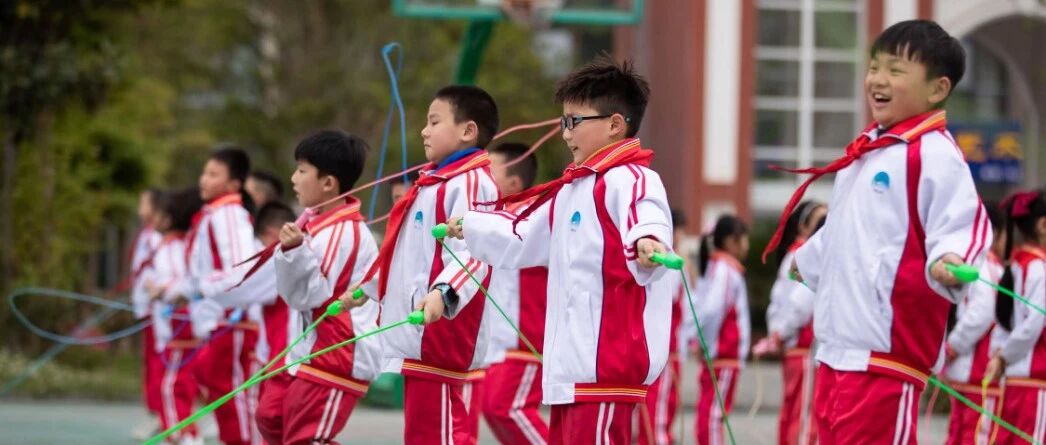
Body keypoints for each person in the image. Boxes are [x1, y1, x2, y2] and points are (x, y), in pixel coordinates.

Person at [765, 20, 988, 444]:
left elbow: (964, 222)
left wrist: (950, 258)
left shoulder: (936, 155)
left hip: (886, 354)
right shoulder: (868, 152)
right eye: (874, 67)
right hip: (836, 350)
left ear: (937, 89)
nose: (878, 80)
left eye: (896, 70)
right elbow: (845, 228)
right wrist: (807, 262)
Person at [444, 57, 674, 444]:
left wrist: (647, 242)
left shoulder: (631, 177)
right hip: (572, 367)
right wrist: (470, 225)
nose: (565, 133)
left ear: (615, 124)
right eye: (562, 122)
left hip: (606, 364)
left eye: (573, 122)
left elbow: (646, 216)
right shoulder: (572, 189)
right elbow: (521, 239)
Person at [342, 85, 501, 445]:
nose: (424, 131)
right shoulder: (431, 185)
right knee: (427, 433)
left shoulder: (471, 181)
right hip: (421, 330)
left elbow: (474, 252)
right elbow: (404, 253)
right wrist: (367, 290)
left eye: (434, 121)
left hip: (441, 330)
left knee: (437, 434)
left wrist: (443, 293)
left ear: (467, 131)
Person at [255, 130, 384, 445]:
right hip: (305, 350)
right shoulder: (316, 225)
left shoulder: (344, 233)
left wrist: (293, 252)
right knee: (270, 416)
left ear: (328, 183)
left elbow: (309, 296)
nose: (294, 178)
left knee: (305, 437)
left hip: (336, 353)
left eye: (302, 170)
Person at [174, 147, 261, 445]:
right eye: (204, 172)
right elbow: (203, 273)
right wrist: (179, 292)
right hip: (218, 320)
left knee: (232, 392)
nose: (203, 179)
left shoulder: (229, 215)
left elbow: (239, 270)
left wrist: (202, 291)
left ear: (234, 184)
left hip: (232, 319)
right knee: (218, 387)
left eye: (213, 174)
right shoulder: (212, 215)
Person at [479, 142, 550, 445]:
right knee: (494, 409)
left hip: (527, 337)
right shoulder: (499, 216)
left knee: (507, 408)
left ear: (514, 183)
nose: (482, 178)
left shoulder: (534, 216)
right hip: (500, 340)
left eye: (489, 171)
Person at [759, 200, 826, 445]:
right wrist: (782, 332)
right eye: (820, 221)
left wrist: (776, 333)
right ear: (804, 226)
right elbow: (800, 302)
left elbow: (777, 299)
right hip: (803, 346)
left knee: (790, 412)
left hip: (791, 345)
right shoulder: (806, 257)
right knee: (803, 416)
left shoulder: (791, 255)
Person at [143, 187, 204, 445]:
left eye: (159, 214)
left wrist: (159, 290)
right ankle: (185, 434)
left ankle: (184, 436)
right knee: (176, 386)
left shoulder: (174, 247)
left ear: (169, 218)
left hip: (179, 325)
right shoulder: (178, 244)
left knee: (170, 386)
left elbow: (183, 282)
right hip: (173, 324)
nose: (154, 218)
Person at [985, 190, 1046, 444]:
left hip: (1015, 380)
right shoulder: (1040, 268)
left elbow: (1003, 320)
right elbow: (1033, 323)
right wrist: (1003, 356)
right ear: (1043, 226)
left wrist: (998, 356)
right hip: (1035, 382)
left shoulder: (1018, 265)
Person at [942, 202, 1004, 445]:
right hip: (974, 369)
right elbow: (983, 310)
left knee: (966, 433)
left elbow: (982, 310)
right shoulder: (983, 264)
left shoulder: (984, 264)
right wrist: (953, 347)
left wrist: (952, 346)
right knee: (968, 434)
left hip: (976, 368)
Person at [687, 215, 750, 445]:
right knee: (714, 415)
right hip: (723, 354)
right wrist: (708, 345)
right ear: (731, 241)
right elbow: (714, 311)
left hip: (720, 355)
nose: (747, 245)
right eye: (744, 239)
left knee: (709, 412)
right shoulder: (725, 270)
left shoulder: (719, 268)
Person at [637, 209, 690, 445]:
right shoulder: (668, 263)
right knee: (657, 414)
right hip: (665, 350)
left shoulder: (672, 262)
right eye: (679, 230)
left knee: (659, 410)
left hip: (664, 349)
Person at [130, 187, 165, 438]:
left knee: (157, 363)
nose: (139, 208)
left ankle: (161, 415)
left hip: (157, 310)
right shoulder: (146, 234)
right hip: (145, 308)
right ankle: (157, 413)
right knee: (150, 362)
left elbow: (159, 270)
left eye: (143, 202)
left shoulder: (157, 237)